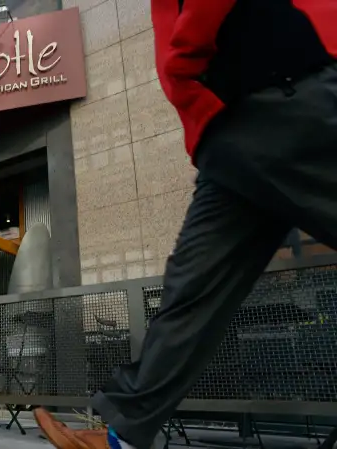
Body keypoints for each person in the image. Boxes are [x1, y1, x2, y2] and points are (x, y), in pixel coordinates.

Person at [33, 2, 337, 449]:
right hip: (230, 137)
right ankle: (120, 436)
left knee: (191, 293)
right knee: (190, 293)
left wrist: (183, 60)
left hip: (283, 97)